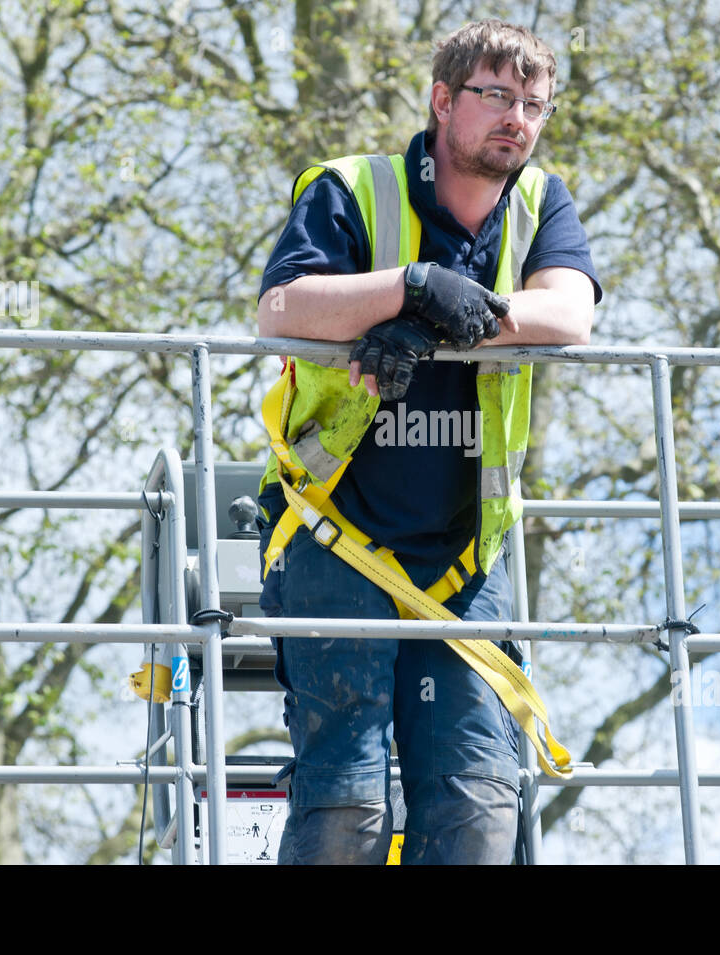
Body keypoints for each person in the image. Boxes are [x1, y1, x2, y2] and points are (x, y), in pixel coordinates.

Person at [255, 18, 601, 865]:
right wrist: (409, 287)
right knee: (348, 803)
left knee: (482, 802)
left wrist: (449, 324)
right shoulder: (352, 191)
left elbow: (571, 315)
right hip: (338, 534)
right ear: (443, 102)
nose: (517, 116)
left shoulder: (537, 201)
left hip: (464, 559)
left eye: (534, 103)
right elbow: (283, 311)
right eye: (495, 96)